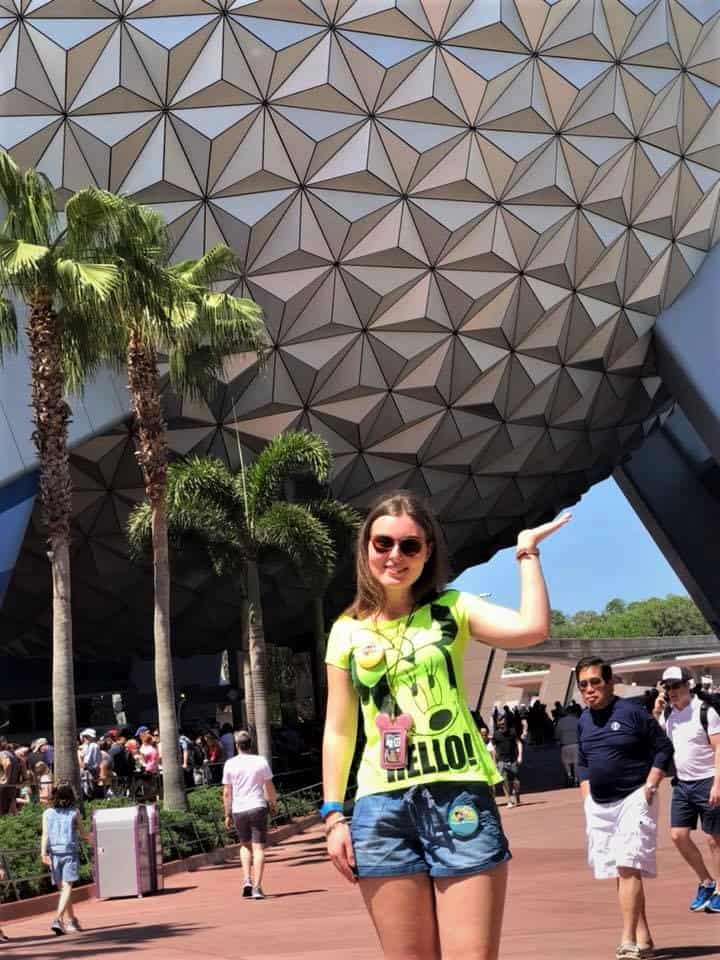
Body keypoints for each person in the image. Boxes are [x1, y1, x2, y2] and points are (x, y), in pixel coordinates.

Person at [322, 489, 570, 960]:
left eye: (409, 545)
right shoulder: (347, 630)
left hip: (458, 796)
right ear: (366, 547)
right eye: (383, 543)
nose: (395, 556)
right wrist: (334, 815)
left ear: (427, 551)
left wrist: (527, 552)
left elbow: (532, 628)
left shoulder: (453, 608)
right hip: (382, 809)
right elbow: (339, 728)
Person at [576, 656, 674, 960]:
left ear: (609, 682)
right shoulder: (583, 721)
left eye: (595, 682)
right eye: (583, 685)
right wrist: (586, 795)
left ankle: (628, 940)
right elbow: (583, 761)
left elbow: (664, 748)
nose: (589, 689)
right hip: (599, 804)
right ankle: (644, 939)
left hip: (634, 797)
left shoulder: (631, 713)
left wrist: (651, 785)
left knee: (628, 866)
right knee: (621, 868)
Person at [652, 666, 720, 913]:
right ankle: (706, 882)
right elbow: (656, 741)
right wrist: (656, 713)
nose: (671, 691)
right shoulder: (668, 714)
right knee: (678, 835)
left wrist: (718, 784)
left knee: (714, 839)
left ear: (688, 685)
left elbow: (719, 748)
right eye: (667, 687)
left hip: (707, 781)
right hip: (683, 784)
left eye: (675, 686)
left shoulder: (705, 711)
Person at [222, 730, 278, 900]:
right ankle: (257, 888)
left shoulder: (230, 764)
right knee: (258, 848)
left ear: (236, 745)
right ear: (250, 744)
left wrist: (227, 813)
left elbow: (227, 792)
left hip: (239, 809)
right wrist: (273, 803)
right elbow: (269, 786)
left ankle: (247, 879)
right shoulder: (260, 761)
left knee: (245, 846)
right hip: (258, 806)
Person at [41, 782, 88, 935]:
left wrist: (43, 853)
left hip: (54, 854)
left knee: (63, 890)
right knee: (67, 887)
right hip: (69, 852)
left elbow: (45, 835)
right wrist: (92, 837)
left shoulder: (47, 813)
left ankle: (72, 920)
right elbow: (83, 834)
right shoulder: (75, 812)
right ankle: (58, 919)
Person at [492, 715, 523, 806]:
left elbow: (519, 743)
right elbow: (494, 748)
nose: (503, 725)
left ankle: (516, 794)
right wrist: (495, 761)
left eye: (504, 723)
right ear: (498, 724)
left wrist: (520, 756)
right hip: (502, 761)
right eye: (501, 724)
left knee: (516, 781)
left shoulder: (512, 731)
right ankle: (509, 800)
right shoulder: (496, 734)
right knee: (504, 781)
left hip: (513, 759)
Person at [555, 705, 581, 787]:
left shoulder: (560, 722)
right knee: (576, 762)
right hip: (576, 744)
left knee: (566, 763)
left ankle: (569, 776)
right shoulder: (577, 720)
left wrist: (558, 740)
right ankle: (576, 778)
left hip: (565, 745)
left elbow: (557, 734)